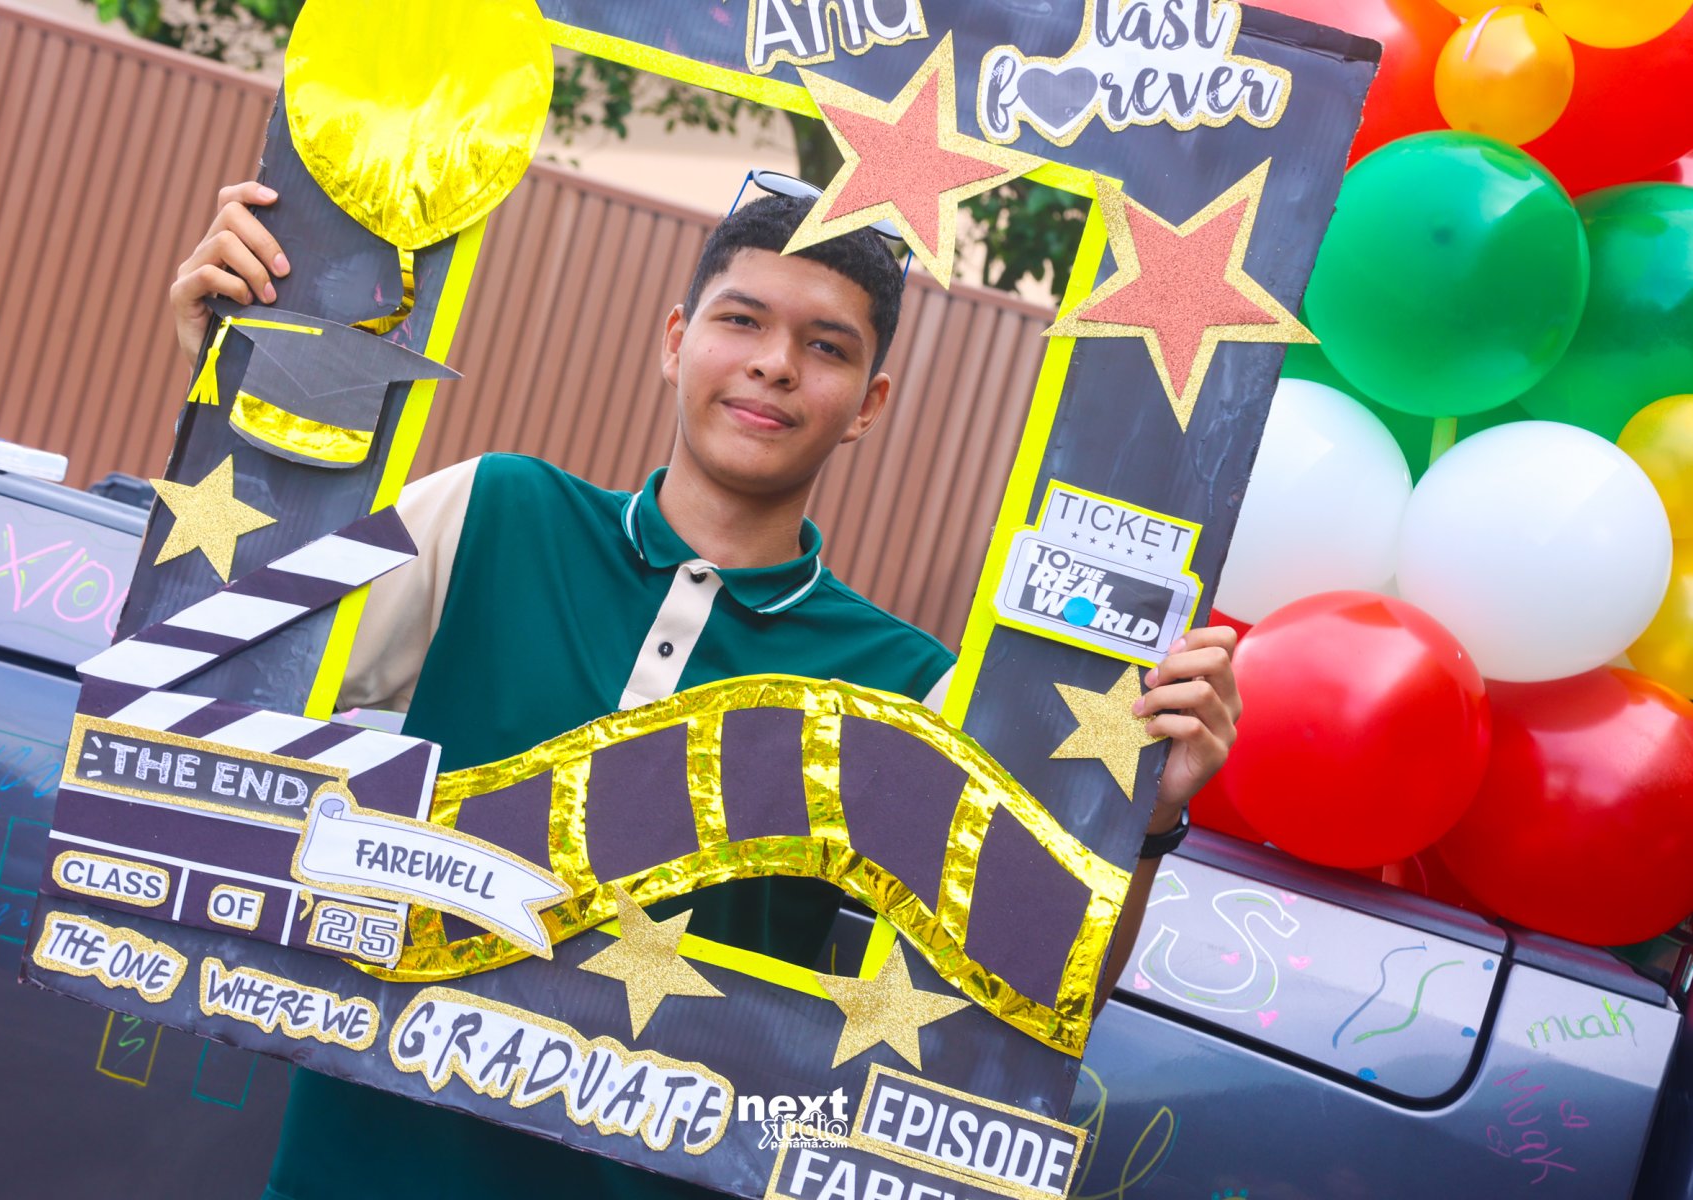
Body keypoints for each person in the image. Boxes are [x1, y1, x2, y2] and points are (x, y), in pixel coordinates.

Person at [171, 180, 1242, 1200]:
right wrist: (231, 386)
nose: (775, 364)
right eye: (742, 321)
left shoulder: (915, 686)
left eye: (826, 346)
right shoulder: (494, 510)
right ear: (676, 339)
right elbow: (213, 661)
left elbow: (1031, 988)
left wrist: (1144, 824)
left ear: (867, 405)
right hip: (356, 1169)